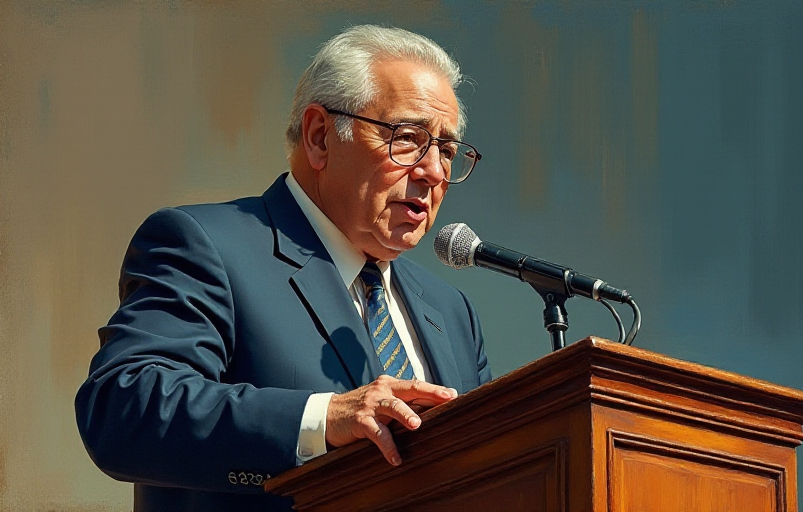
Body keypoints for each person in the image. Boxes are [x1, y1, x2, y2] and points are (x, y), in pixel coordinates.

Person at [74, 25, 491, 512]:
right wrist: (322, 419)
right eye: (409, 138)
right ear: (319, 137)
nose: (434, 172)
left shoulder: (451, 311)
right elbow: (124, 411)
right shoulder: (205, 244)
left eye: (445, 148)